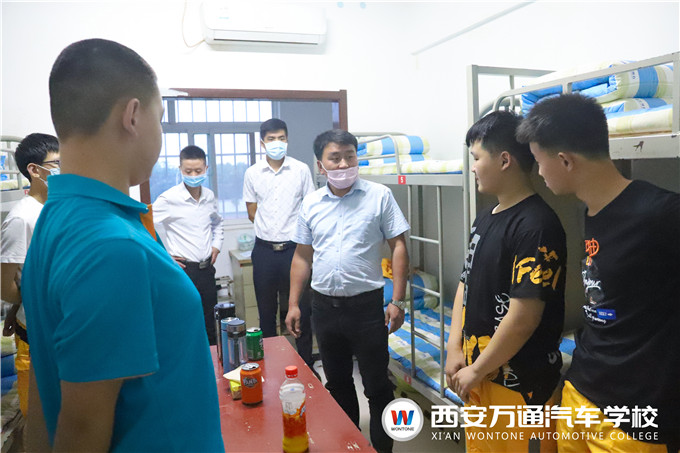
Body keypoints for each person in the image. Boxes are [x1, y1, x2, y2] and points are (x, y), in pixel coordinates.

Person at [21, 39, 224, 452]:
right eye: (159, 119)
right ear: (132, 116)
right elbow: (82, 430)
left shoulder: (56, 218)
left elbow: (46, 390)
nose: (160, 133)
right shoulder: (113, 247)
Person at [516, 93, 680, 453]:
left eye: (540, 162)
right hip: (581, 394)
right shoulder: (588, 212)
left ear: (565, 161)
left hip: (635, 417)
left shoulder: (663, 214)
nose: (539, 173)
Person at [444, 110, 567, 453]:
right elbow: (465, 284)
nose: (472, 167)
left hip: (522, 387)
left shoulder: (537, 225)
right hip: (479, 375)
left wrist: (476, 370)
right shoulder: (485, 219)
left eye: (476, 158)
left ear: (504, 160)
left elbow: (524, 318)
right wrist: (454, 348)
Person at [286, 129, 409, 453]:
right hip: (324, 309)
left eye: (349, 156)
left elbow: (398, 245)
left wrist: (398, 300)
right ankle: (350, 447)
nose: (343, 164)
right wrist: (294, 303)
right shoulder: (311, 203)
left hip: (366, 309)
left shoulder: (379, 196)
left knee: (377, 387)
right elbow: (302, 256)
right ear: (320, 165)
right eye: (335, 158)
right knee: (338, 385)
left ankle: (382, 449)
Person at [243, 118, 316, 368]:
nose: (277, 143)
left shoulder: (301, 170)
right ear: (262, 142)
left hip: (294, 250)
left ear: (287, 140)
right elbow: (251, 211)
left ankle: (306, 364)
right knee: (266, 313)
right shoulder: (252, 173)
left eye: (281, 138)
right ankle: (270, 366)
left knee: (302, 310)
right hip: (264, 250)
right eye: (272, 139)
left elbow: (310, 208)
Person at [1, 133, 59, 418]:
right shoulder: (22, 218)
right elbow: (4, 286)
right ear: (35, 170)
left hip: (59, 325)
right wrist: (25, 305)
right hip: (36, 331)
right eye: (57, 164)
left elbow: (34, 271)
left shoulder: (56, 207)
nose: (65, 169)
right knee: (39, 415)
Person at [153, 145, 224, 345]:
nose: (193, 175)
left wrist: (216, 245)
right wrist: (164, 256)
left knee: (211, 325)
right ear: (180, 170)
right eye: (188, 171)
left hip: (207, 270)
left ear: (206, 169)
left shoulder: (209, 196)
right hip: (184, 271)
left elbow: (218, 222)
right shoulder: (169, 199)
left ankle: (212, 364)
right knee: (185, 323)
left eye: (198, 171)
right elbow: (143, 225)